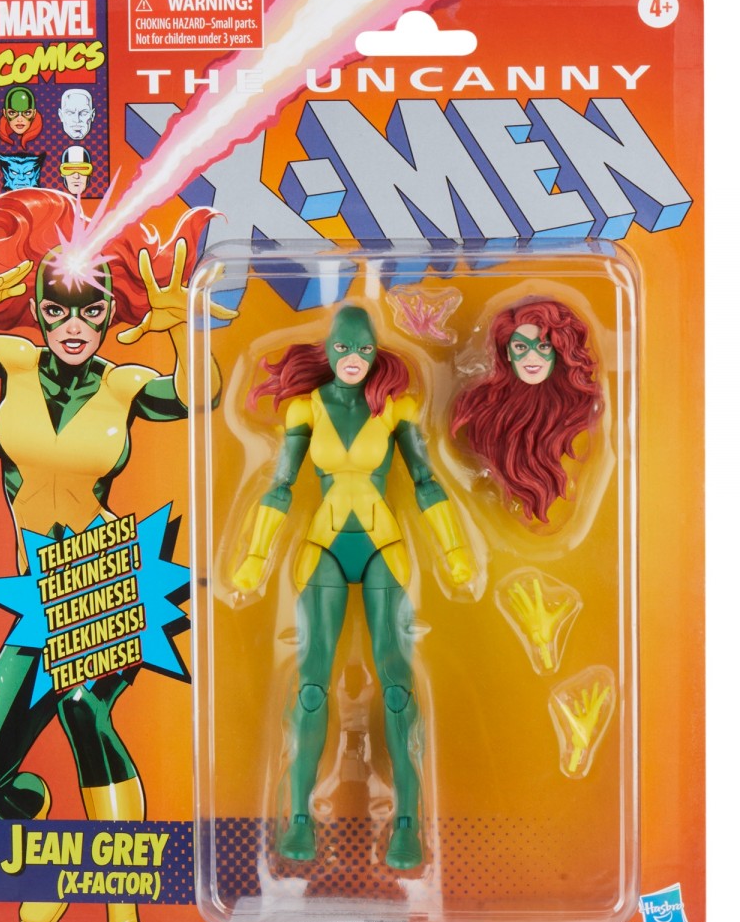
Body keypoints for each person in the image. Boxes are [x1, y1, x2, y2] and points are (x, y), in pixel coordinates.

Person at [0, 186, 227, 922]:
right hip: (34, 595)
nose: (74, 327)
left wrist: (180, 324)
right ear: (39, 312)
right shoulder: (12, 360)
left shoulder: (124, 384)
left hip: (104, 576)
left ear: (112, 313)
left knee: (86, 711)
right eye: (58, 311)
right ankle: (51, 850)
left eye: (90, 311)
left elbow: (197, 395)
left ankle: (124, 921)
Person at [234, 306, 474, 870]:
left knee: (396, 687)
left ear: (375, 351)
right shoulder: (305, 409)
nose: (353, 359)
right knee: (311, 685)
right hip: (322, 548)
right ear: (328, 350)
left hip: (383, 548)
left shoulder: (395, 408)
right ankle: (298, 817)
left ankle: (407, 824)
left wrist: (456, 553)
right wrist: (253, 560)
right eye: (343, 349)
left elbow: (424, 478)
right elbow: (280, 485)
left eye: (364, 349)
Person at [450, 298, 601, 522]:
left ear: (557, 351)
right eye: (521, 347)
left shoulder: (573, 410)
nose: (532, 357)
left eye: (543, 346)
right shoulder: (488, 410)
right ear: (507, 353)